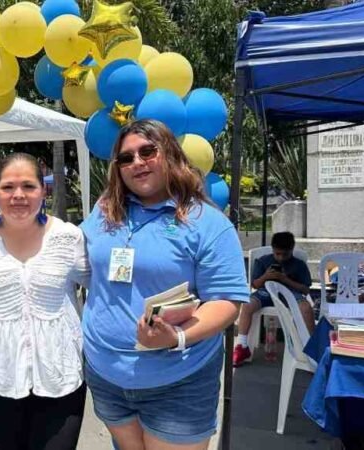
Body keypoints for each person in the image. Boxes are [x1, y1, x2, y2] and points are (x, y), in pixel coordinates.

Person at [80, 119, 249, 450]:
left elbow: (228, 301)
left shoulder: (207, 222)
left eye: (147, 151)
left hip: (178, 380)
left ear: (170, 154)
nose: (137, 163)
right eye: (126, 158)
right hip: (105, 375)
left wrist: (177, 337)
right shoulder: (105, 212)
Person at [0, 153, 89, 450]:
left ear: (43, 190)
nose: (18, 195)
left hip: (61, 372)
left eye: (28, 186)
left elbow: (99, 290)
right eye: (8, 187)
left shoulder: (70, 237)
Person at [233, 231, 313, 367]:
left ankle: (311, 346)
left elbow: (305, 289)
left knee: (306, 308)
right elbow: (255, 285)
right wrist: (265, 276)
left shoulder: (299, 265)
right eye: (277, 254)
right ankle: (242, 345)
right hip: (266, 292)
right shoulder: (263, 261)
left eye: (285, 254)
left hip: (291, 293)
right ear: (273, 250)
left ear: (291, 250)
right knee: (247, 305)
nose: (281, 258)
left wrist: (285, 279)